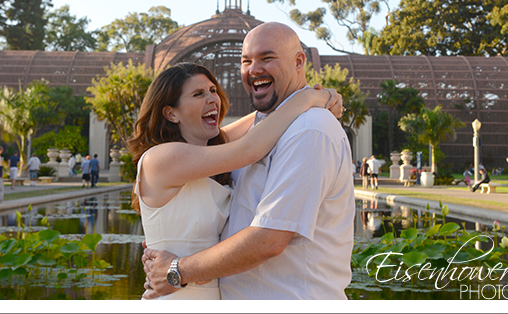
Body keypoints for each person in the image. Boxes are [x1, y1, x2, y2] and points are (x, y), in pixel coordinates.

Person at [142, 22, 355, 300]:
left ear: (299, 62)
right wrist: (312, 96)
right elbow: (249, 147)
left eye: (267, 57)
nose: (212, 100)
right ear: (171, 113)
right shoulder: (164, 158)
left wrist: (178, 270)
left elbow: (269, 239)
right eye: (246, 61)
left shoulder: (308, 129)